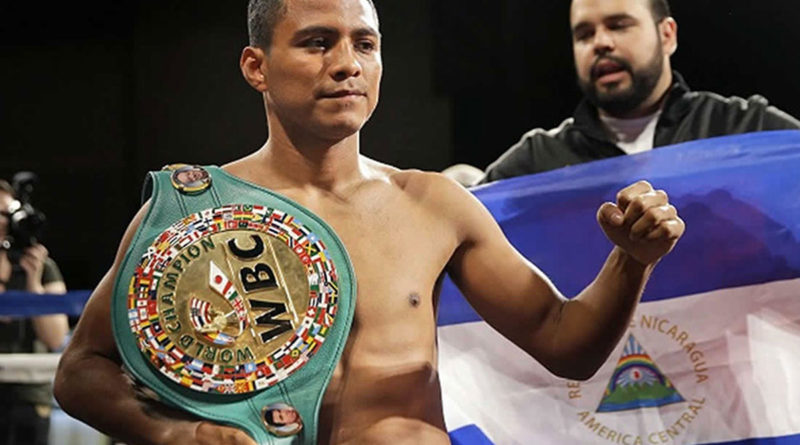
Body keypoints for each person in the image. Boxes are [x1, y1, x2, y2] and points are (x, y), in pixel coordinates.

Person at [53, 0, 685, 444]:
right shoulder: (194, 210)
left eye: (365, 43)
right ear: (256, 67)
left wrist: (631, 260)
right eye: (316, 41)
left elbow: (565, 342)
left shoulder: (433, 203)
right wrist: (175, 435)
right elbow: (81, 371)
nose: (347, 63)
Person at [481, 0, 800, 183]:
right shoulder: (538, 161)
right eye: (584, 34)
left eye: (618, 25)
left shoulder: (745, 128)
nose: (601, 43)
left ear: (667, 35)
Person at [0, 180, 69, 445]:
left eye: (6, 214)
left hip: (28, 397)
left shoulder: (43, 267)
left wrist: (33, 283)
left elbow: (54, 338)